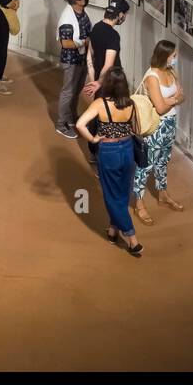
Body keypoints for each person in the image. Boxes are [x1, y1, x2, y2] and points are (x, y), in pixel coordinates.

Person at [76, 68, 143, 257]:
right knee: (122, 192)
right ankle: (113, 232)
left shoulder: (100, 104)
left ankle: (132, 239)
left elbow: (81, 124)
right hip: (128, 150)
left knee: (112, 196)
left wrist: (94, 139)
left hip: (109, 151)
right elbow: (136, 128)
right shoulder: (131, 104)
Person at [132, 40, 186, 225]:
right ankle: (139, 203)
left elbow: (182, 95)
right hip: (156, 125)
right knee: (145, 165)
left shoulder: (171, 72)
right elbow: (161, 108)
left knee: (163, 161)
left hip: (170, 124)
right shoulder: (152, 77)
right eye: (174, 56)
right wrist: (174, 99)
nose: (175, 59)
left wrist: (171, 100)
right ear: (165, 56)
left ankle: (163, 193)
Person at [82, 0, 130, 160]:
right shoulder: (113, 36)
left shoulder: (96, 28)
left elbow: (90, 59)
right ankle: (106, 153)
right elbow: (108, 65)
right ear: (120, 15)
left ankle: (93, 151)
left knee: (97, 114)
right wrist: (100, 83)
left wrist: (93, 81)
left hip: (98, 82)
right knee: (112, 117)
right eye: (125, 15)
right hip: (112, 83)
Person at [55, 0, 93, 138]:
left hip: (82, 58)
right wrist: (83, 43)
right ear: (78, 0)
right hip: (71, 61)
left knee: (76, 90)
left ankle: (71, 117)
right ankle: (61, 124)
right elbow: (66, 43)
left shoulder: (82, 12)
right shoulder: (67, 19)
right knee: (68, 91)